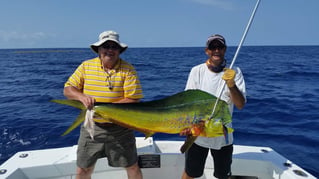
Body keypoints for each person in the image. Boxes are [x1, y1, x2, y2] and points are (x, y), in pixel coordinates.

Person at [63, 30, 144, 179]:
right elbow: (68, 90)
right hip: (91, 128)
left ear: (119, 50)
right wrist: (81, 96)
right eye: (106, 46)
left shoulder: (128, 69)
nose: (110, 50)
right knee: (83, 169)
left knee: (132, 166)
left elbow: (133, 99)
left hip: (121, 129)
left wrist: (104, 110)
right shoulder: (86, 66)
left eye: (114, 47)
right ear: (99, 49)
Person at [181, 34, 246, 179]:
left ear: (225, 49)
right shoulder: (197, 71)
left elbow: (240, 104)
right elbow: (188, 104)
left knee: (223, 176)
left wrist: (232, 84)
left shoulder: (234, 72)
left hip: (223, 136)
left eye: (220, 47)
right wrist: (187, 125)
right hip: (198, 134)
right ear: (207, 51)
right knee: (191, 173)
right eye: (212, 47)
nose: (216, 50)